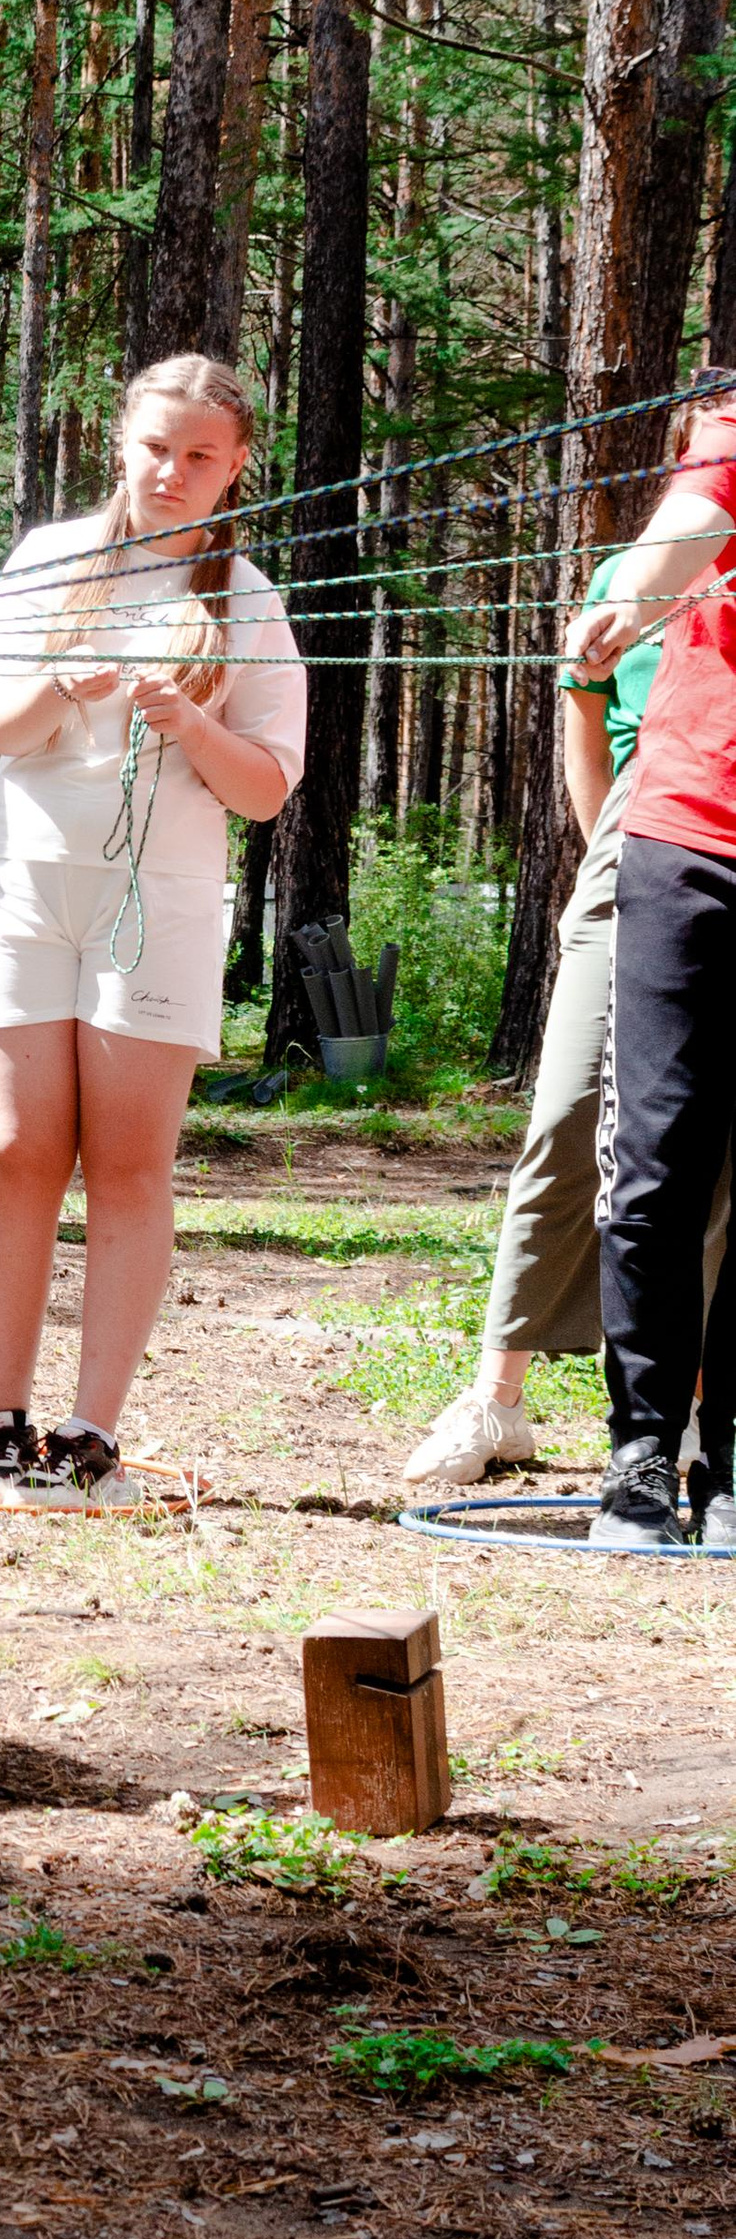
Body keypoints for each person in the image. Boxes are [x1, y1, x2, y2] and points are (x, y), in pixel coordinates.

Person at [0, 352, 305, 1504]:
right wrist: (77, 681)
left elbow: (265, 787)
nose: (172, 471)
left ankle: (90, 1434)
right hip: (25, 884)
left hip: (163, 902)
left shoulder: (244, 597)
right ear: (121, 440)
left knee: (129, 1165)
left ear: (237, 465)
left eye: (200, 455)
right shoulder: (54, 558)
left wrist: (187, 724)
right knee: (19, 1152)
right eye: (156, 447)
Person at [401, 518, 727, 1492]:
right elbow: (582, 727)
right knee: (568, 1112)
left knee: (712, 1156)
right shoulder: (633, 575)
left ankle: (702, 1423)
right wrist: (607, 871)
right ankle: (496, 1396)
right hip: (644, 832)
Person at [564, 389, 736, 1549]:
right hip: (689, 831)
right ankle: (640, 1453)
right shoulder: (729, 424)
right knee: (657, 1159)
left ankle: (728, 1457)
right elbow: (684, 530)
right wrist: (626, 603)